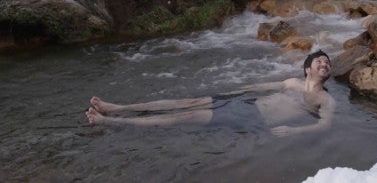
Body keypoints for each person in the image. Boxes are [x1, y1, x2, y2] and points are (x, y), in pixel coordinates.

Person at [85, 50, 335, 137]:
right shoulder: (291, 82)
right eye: (320, 61)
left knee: (189, 116)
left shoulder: (325, 99)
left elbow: (325, 126)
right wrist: (232, 92)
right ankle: (118, 107)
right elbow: (260, 87)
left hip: (252, 119)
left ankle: (111, 121)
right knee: (189, 102)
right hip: (244, 102)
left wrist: (296, 131)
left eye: (327, 63)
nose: (324, 64)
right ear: (307, 68)